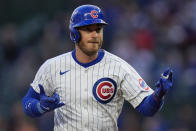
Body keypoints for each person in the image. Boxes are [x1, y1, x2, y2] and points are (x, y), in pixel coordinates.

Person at [22, 4, 173, 131]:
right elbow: (28, 102)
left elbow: (147, 109)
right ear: (74, 33)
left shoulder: (119, 67)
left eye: (98, 29)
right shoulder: (52, 66)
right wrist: (40, 107)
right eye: (88, 29)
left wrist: (158, 96)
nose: (95, 34)